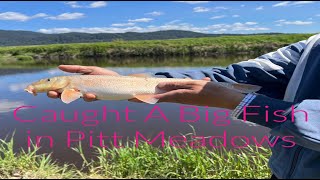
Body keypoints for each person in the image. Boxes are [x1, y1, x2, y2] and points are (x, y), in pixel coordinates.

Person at [48, 33, 320, 179]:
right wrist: (126, 83)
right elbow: (234, 77)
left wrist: (242, 103)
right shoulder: (311, 46)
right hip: (282, 172)